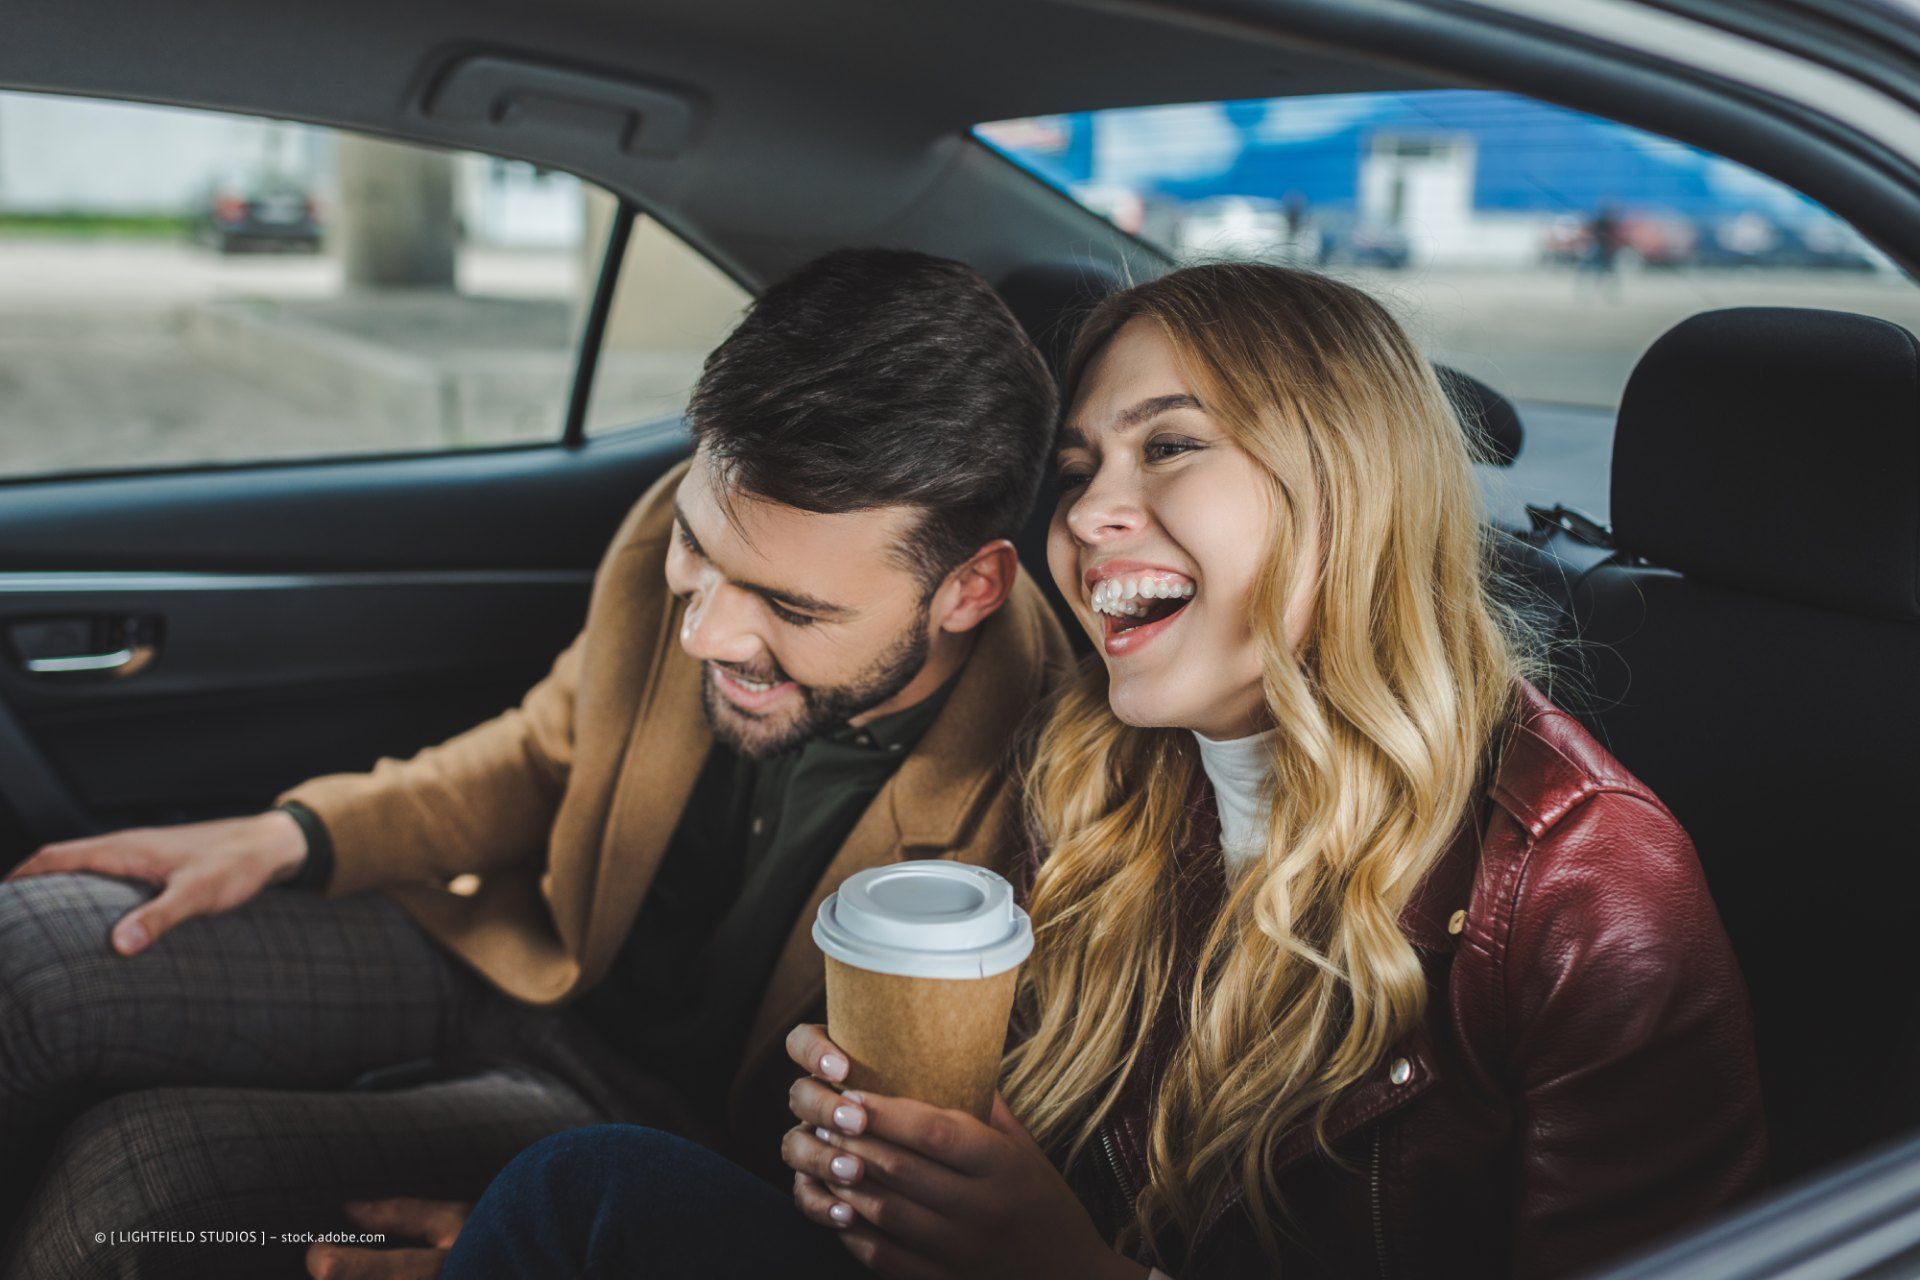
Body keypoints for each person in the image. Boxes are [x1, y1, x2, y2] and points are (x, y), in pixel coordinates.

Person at [437, 262, 1767, 1280]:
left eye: (1170, 446)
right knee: (583, 1199)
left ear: (1348, 487)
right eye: (1075, 470)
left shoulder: (1591, 895)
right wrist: (872, 1176)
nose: (1084, 515)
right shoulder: (1104, 774)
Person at [0, 247, 1073, 1279]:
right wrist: (292, 832)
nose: (705, 632)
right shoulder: (686, 515)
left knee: (134, 1188)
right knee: (30, 956)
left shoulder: (1049, 795)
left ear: (970, 589)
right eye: (700, 552)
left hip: (660, 1138)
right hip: (523, 954)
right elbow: (544, 752)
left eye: (791, 609)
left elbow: (912, 1191)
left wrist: (593, 1241)